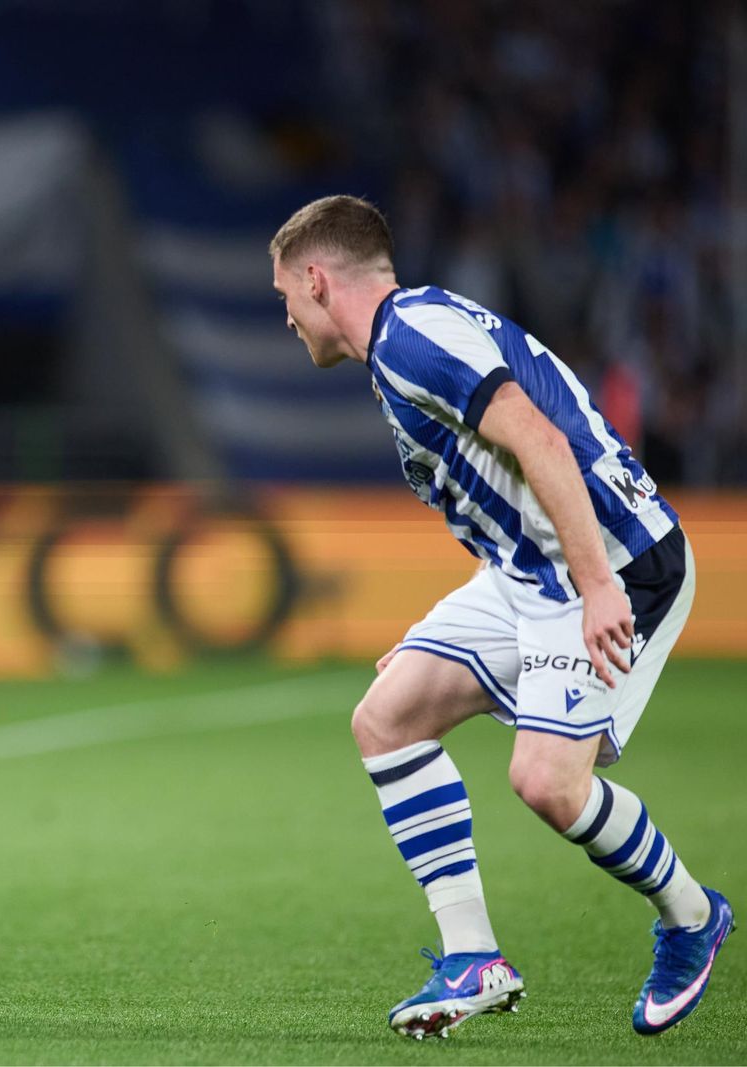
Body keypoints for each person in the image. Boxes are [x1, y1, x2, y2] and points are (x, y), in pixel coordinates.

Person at [269, 195, 732, 1039]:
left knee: (549, 784)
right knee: (389, 717)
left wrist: (598, 586)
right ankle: (473, 956)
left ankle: (693, 916)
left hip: (619, 561)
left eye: (285, 299)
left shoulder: (412, 341)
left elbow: (542, 443)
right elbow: (506, 489)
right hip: (534, 569)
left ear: (316, 279)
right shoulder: (405, 341)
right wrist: (444, 630)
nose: (288, 317)